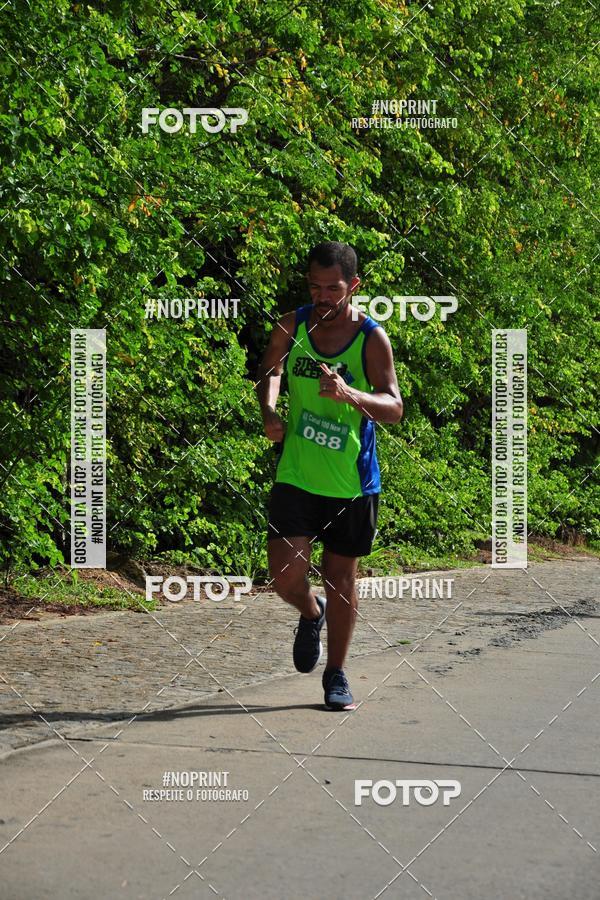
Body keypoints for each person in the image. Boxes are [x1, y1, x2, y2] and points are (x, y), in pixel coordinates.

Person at [256, 241, 403, 710]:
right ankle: (309, 611)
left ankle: (336, 674)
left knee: (342, 577)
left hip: (351, 483)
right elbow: (270, 368)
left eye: (333, 289)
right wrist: (269, 407)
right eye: (315, 287)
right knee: (284, 577)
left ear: (353, 286)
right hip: (297, 474)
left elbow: (394, 408)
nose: (322, 297)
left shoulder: (371, 338)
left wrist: (349, 394)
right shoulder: (292, 323)